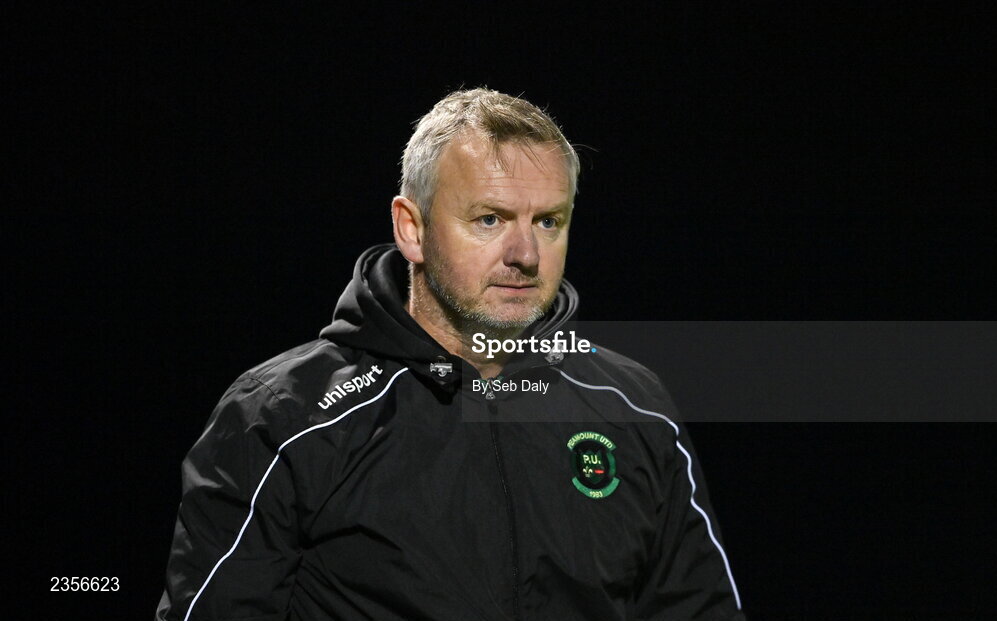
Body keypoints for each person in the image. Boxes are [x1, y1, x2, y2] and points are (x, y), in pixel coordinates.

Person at [156, 88, 745, 620]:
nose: (526, 255)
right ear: (411, 228)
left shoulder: (633, 405)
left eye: (548, 222)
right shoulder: (284, 416)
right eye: (489, 219)